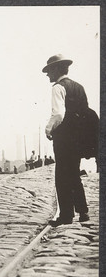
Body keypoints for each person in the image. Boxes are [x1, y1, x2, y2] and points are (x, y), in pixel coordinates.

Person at [43, 54, 89, 227]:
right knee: (74, 173)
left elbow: (58, 114)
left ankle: (66, 215)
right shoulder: (79, 87)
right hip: (79, 138)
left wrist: (48, 129)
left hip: (64, 138)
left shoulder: (57, 88)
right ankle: (83, 211)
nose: (48, 75)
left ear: (56, 69)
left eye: (49, 71)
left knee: (62, 174)